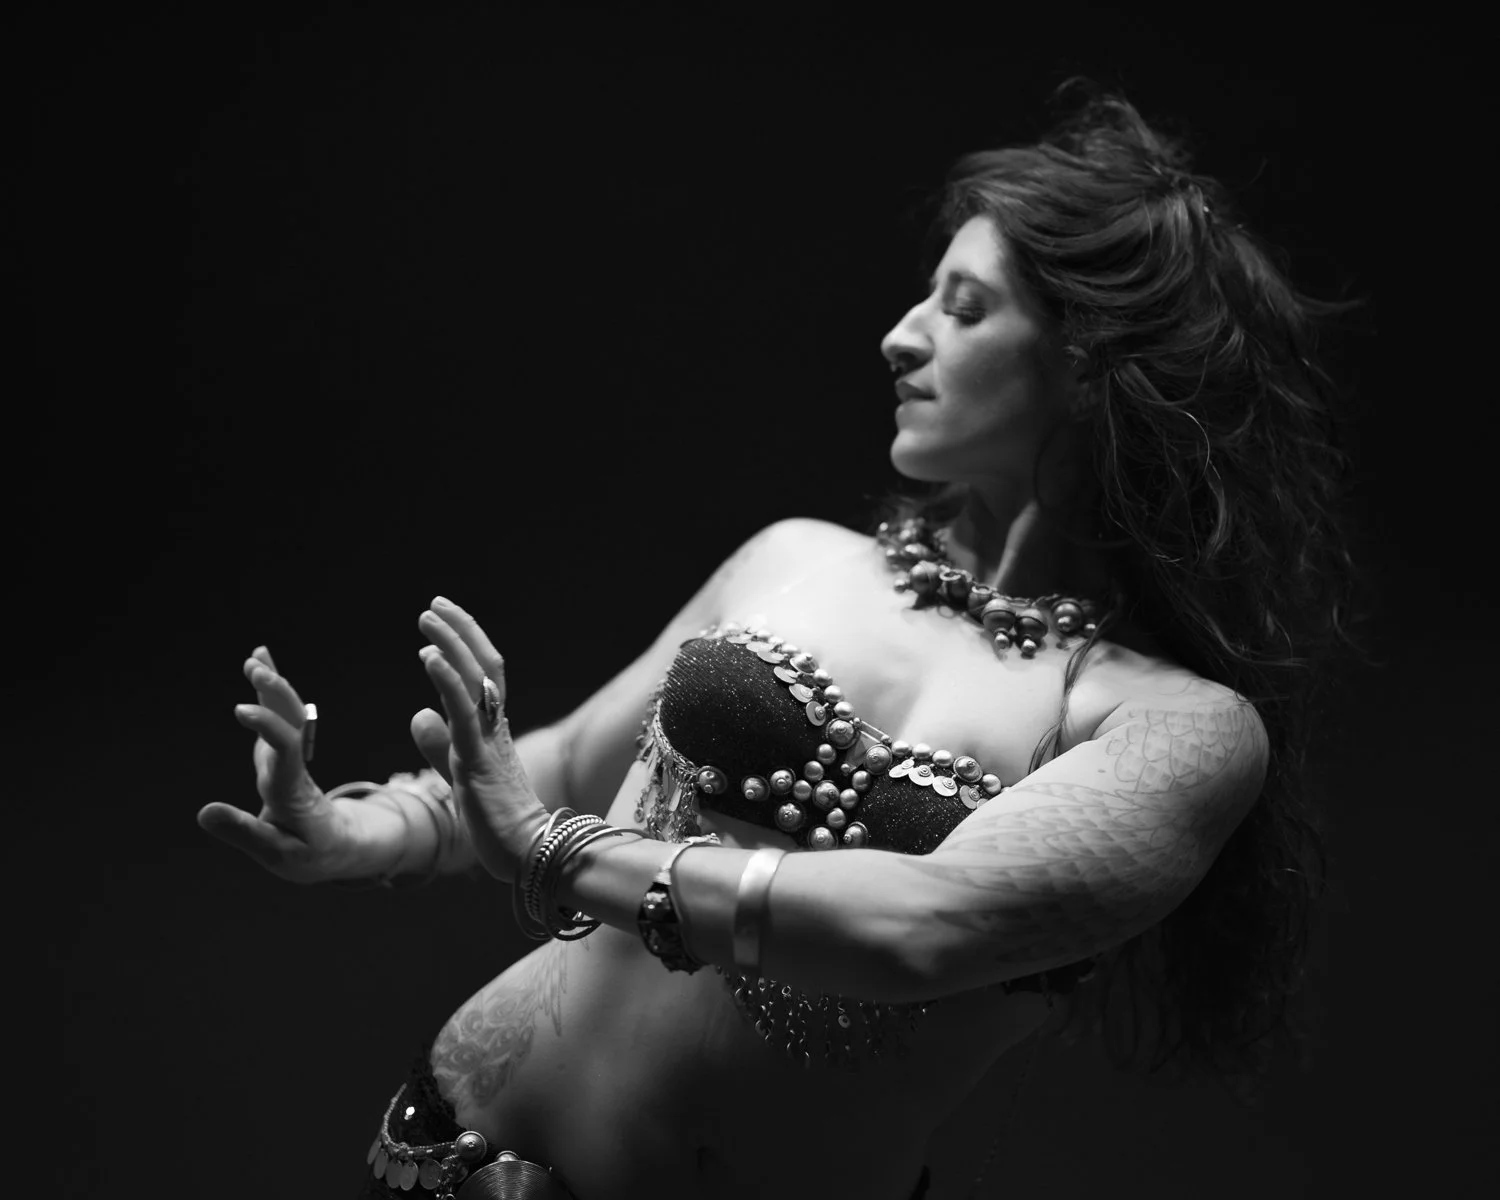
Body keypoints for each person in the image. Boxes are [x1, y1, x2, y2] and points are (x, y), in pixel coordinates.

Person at [199, 82, 1366, 1200]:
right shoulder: (795, 559)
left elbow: (921, 928)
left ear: (1093, 360)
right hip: (460, 1157)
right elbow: (545, 771)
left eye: (963, 308)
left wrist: (556, 849)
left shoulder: (1177, 731)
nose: (899, 339)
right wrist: (357, 832)